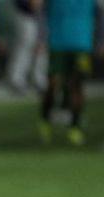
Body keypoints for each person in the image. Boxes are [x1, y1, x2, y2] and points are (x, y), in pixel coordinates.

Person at [39, 0, 102, 146]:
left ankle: (75, 126)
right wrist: (41, 37)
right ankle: (45, 118)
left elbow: (99, 15)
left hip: (81, 45)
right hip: (57, 44)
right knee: (53, 84)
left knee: (77, 86)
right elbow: (41, 13)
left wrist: (99, 40)